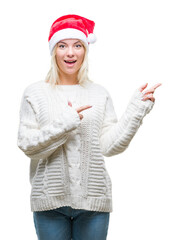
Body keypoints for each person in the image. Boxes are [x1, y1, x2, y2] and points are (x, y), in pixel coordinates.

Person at [17, 14, 161, 240]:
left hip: (94, 203)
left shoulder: (99, 92)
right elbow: (27, 145)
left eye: (77, 45)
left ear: (85, 50)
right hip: (49, 204)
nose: (70, 53)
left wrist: (136, 111)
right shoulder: (35, 93)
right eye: (62, 45)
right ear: (54, 50)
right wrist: (65, 124)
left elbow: (109, 146)